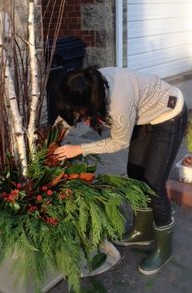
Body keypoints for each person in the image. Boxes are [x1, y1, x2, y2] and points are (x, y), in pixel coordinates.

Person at [53, 66, 188, 275]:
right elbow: (68, 114)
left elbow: (118, 142)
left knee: (153, 183)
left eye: (79, 111)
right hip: (144, 115)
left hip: (169, 113)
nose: (78, 115)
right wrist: (55, 135)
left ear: (89, 103)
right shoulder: (90, 83)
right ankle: (143, 231)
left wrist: (78, 149)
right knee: (135, 174)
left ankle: (163, 248)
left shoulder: (118, 104)